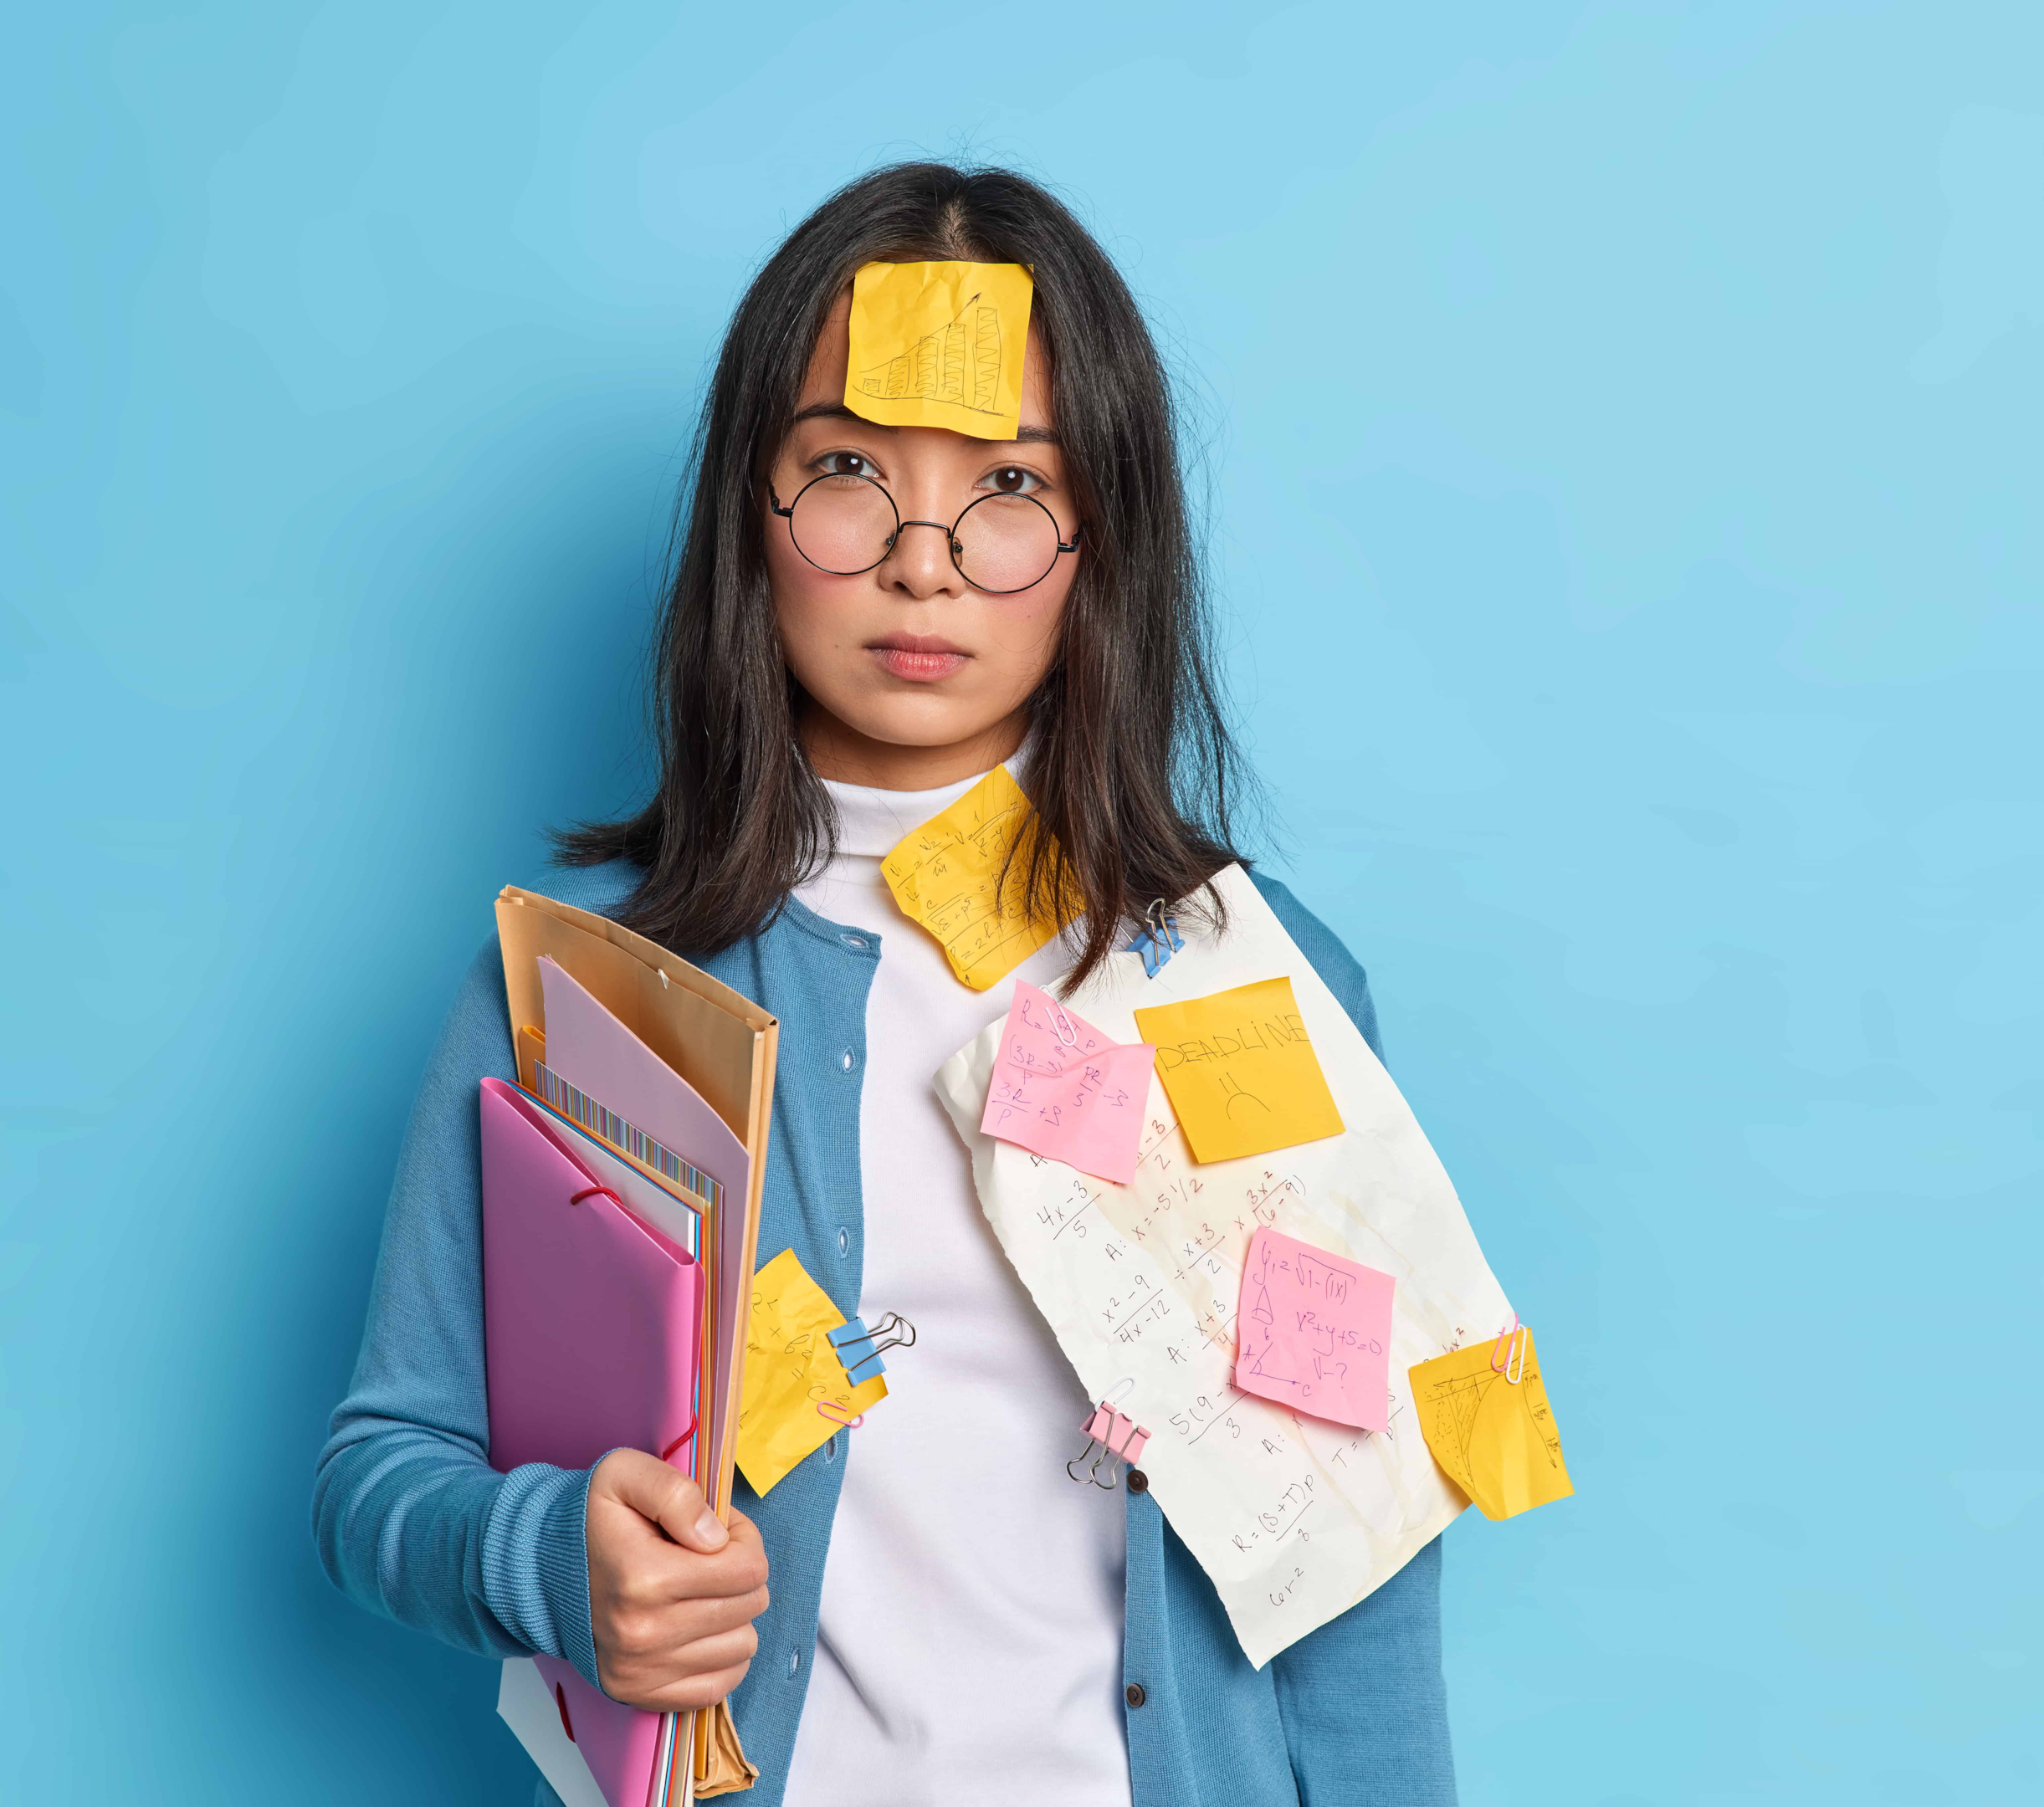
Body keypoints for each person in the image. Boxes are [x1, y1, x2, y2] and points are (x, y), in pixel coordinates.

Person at [314, 161, 1454, 1807]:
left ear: (1098, 541)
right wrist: (552, 1555)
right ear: (748, 518)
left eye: (1005, 485)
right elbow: (378, 1473)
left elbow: (1358, 1579)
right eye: (845, 470)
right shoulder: (587, 988)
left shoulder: (1248, 992)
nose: (923, 561)